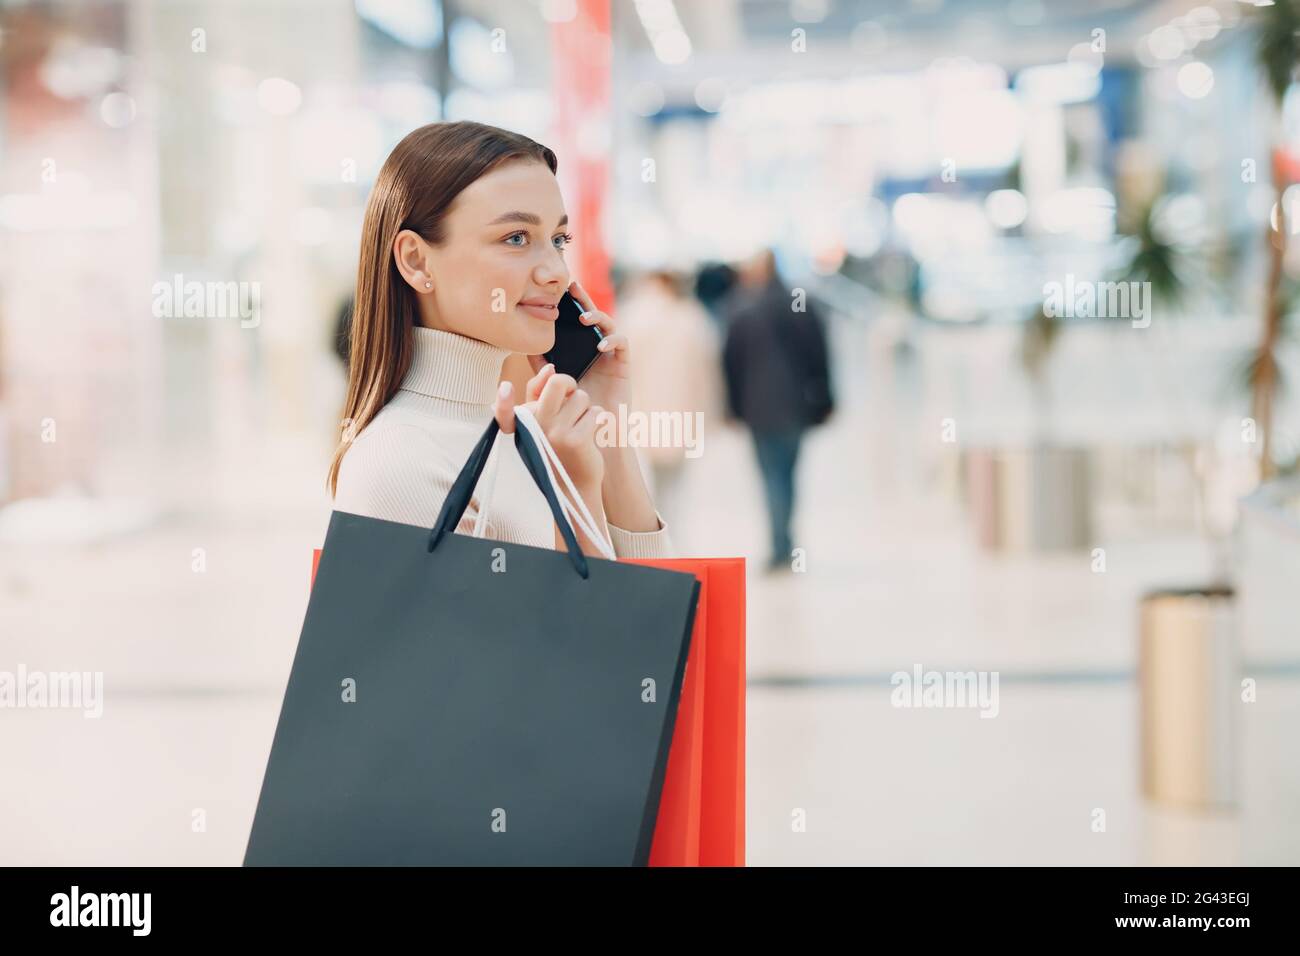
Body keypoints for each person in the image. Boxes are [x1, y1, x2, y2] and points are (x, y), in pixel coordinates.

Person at [328, 121, 672, 560]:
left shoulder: (532, 432)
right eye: (515, 238)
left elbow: (665, 615)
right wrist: (571, 489)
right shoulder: (397, 463)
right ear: (416, 260)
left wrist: (607, 432)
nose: (557, 272)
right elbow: (595, 627)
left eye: (558, 239)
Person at [721, 249, 833, 573]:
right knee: (788, 475)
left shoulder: (743, 309)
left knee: (771, 477)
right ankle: (785, 540)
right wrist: (825, 400)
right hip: (796, 406)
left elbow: (731, 363)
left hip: (758, 409)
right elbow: (820, 355)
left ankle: (780, 546)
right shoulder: (800, 305)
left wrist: (732, 406)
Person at [617, 270, 721, 525]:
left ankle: (656, 534)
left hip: (642, 414)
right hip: (682, 413)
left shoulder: (630, 316)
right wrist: (711, 413)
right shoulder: (690, 317)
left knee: (646, 483)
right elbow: (706, 371)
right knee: (675, 485)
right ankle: (670, 535)